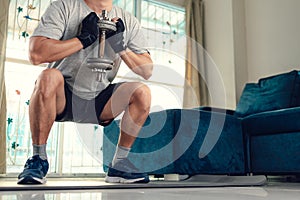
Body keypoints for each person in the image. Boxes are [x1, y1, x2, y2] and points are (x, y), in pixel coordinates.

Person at [17, 0, 153, 184]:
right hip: (62, 97)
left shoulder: (128, 20)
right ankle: (38, 160)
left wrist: (121, 47)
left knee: (141, 92)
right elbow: (36, 54)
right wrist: (82, 39)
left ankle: (119, 165)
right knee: (47, 76)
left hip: (99, 100)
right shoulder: (65, 7)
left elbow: (147, 70)